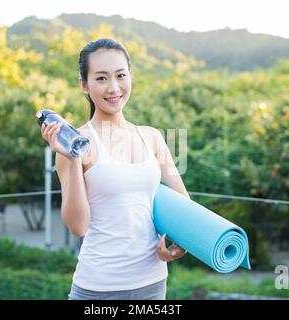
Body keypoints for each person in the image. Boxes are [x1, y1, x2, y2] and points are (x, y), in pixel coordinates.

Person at [40, 38, 190, 300]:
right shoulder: (75, 146)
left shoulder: (152, 136)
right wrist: (72, 158)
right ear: (84, 86)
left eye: (121, 75)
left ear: (130, 77)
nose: (113, 87)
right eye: (100, 78)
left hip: (153, 283)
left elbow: (183, 204)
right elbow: (78, 226)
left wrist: (180, 242)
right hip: (98, 289)